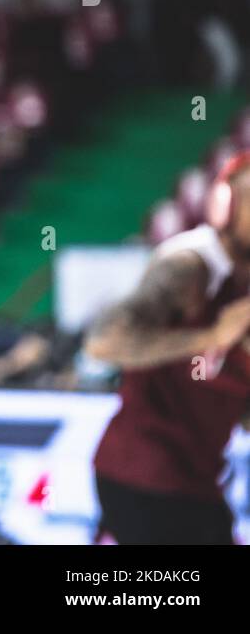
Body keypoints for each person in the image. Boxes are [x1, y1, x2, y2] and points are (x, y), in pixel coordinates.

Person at [85, 152, 250, 544]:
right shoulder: (191, 264)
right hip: (142, 472)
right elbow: (104, 341)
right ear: (226, 204)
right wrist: (211, 335)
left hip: (196, 478)